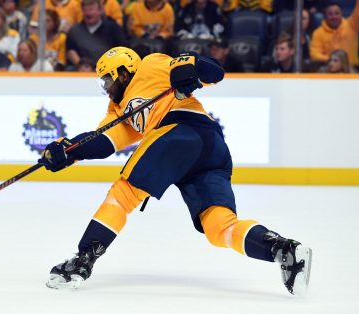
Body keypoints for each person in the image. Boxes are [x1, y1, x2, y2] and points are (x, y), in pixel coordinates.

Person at [39, 46, 313, 296]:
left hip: (183, 130)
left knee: (123, 195)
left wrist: (190, 68)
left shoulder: (151, 65)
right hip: (209, 150)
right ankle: (283, 249)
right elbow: (103, 142)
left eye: (108, 80)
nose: (107, 88)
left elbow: (214, 71)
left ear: (124, 72)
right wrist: (69, 150)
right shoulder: (118, 110)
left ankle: (83, 259)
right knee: (219, 227)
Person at [66, 0, 127, 68]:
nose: (88, 13)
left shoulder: (112, 28)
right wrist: (81, 66)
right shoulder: (75, 30)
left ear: (100, 11)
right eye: (85, 10)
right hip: (82, 70)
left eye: (91, 10)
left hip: (109, 68)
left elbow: (123, 49)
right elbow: (71, 51)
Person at [310, 0, 359, 67]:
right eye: (330, 14)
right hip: (329, 69)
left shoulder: (351, 25)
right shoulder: (318, 33)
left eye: (337, 13)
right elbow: (314, 55)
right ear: (325, 16)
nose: (334, 17)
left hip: (352, 68)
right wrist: (334, 60)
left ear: (342, 14)